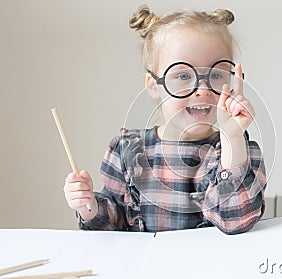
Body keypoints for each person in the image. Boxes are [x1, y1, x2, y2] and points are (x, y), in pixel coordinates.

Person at [63, 5, 267, 234]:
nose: (202, 89)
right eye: (182, 75)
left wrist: (231, 139)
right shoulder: (128, 150)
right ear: (153, 86)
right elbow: (113, 223)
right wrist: (89, 207)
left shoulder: (239, 150)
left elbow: (237, 221)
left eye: (217, 75)